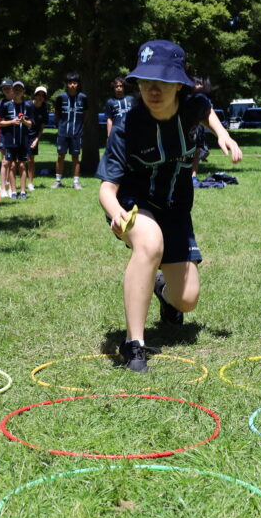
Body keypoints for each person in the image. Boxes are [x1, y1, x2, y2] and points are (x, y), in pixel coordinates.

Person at [96, 40, 241, 372]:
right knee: (150, 243)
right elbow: (106, 188)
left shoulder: (191, 106)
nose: (153, 90)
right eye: (145, 82)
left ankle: (162, 290)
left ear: (178, 84)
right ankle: (134, 344)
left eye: (162, 82)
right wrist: (115, 212)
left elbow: (205, 109)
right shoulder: (127, 126)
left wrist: (222, 133)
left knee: (186, 300)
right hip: (134, 204)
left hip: (176, 209)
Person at [0, 80, 33, 199]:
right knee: (7, 163)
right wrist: (11, 122)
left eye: (20, 89)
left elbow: (30, 123)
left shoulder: (27, 105)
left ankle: (20, 191)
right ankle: (6, 188)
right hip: (8, 138)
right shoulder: (3, 104)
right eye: (4, 88)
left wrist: (23, 121)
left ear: (23, 91)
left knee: (21, 165)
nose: (17, 91)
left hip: (22, 140)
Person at [52, 72, 86, 189]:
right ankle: (58, 181)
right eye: (70, 83)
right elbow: (57, 113)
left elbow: (85, 114)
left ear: (78, 84)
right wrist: (60, 126)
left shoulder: (83, 98)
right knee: (60, 156)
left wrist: (80, 126)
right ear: (67, 84)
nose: (72, 85)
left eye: (74, 83)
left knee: (75, 157)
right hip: (63, 132)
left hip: (76, 133)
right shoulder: (61, 97)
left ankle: (76, 182)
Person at [0, 79, 14, 198]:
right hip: (4, 135)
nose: (6, 90)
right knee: (5, 161)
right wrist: (10, 122)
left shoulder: (18, 102)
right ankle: (3, 188)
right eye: (4, 88)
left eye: (8, 87)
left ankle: (10, 186)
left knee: (13, 162)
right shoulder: (0, 104)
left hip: (16, 136)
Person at [25, 86, 48, 191]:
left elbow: (42, 127)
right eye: (38, 94)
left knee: (31, 160)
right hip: (23, 134)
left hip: (34, 136)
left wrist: (36, 140)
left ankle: (30, 183)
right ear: (35, 95)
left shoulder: (44, 108)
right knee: (19, 160)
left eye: (43, 95)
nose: (40, 97)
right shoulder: (27, 105)